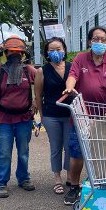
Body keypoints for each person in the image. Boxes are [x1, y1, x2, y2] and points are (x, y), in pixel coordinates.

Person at [62, 26, 106, 205]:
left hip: (105, 117)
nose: (99, 42)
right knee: (77, 154)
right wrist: (69, 86)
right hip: (82, 117)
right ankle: (74, 186)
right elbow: (72, 75)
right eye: (96, 39)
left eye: (103, 40)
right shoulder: (81, 58)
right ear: (90, 41)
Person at [0, 35, 37, 198]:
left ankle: (23, 178)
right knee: (4, 152)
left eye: (18, 52)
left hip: (24, 119)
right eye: (10, 52)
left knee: (23, 151)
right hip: (4, 120)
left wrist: (37, 99)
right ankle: (0, 182)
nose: (14, 55)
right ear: (5, 53)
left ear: (23, 54)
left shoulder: (29, 71)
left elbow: (42, 83)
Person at [34, 37, 72, 195]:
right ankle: (57, 179)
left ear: (64, 50)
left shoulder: (72, 67)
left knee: (70, 147)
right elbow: (38, 95)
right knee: (56, 147)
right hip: (51, 116)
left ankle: (71, 176)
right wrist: (42, 116)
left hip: (71, 115)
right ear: (46, 53)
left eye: (59, 49)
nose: (56, 52)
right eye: (52, 50)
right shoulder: (42, 71)